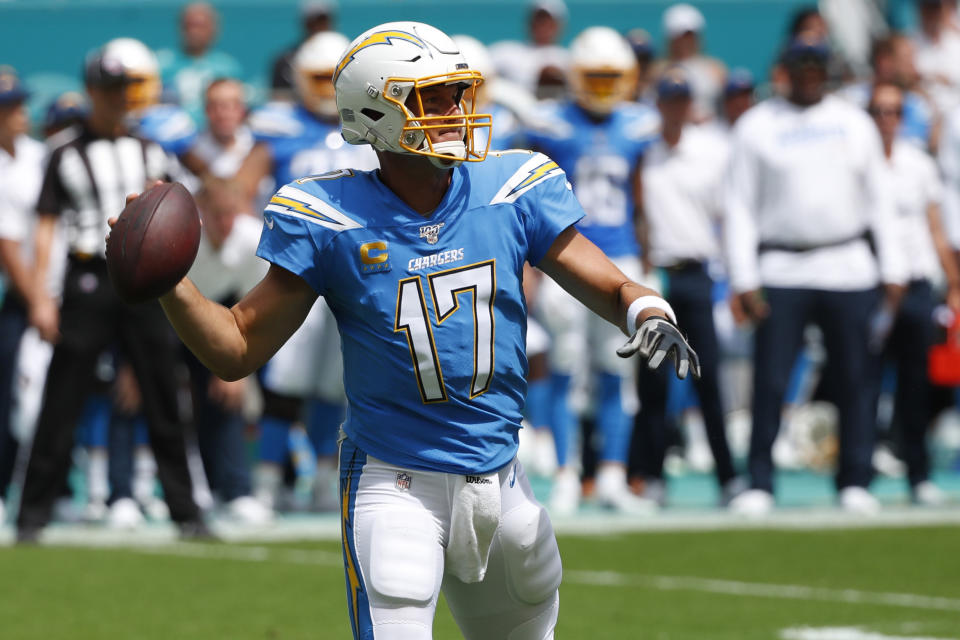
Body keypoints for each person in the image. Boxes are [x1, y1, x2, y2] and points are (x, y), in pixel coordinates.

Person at [138, 21, 698, 639]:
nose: (457, 112)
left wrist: (648, 311)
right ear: (376, 110)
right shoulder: (333, 216)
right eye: (433, 98)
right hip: (395, 482)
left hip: (503, 477)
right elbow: (236, 346)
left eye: (459, 94)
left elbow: (616, 285)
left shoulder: (510, 187)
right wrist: (169, 281)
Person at [15, 39, 207, 543]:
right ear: (92, 91)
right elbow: (46, 227)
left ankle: (186, 510)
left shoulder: (151, 149)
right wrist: (40, 296)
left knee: (164, 396)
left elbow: (184, 210)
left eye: (125, 88)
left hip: (144, 284)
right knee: (63, 399)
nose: (120, 98)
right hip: (87, 279)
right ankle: (33, 514)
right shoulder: (63, 153)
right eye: (110, 88)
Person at [724, 36, 907, 517]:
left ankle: (855, 478)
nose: (809, 73)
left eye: (817, 65)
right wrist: (743, 278)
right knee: (771, 379)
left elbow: (880, 199)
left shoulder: (853, 123)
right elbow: (739, 206)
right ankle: (760, 481)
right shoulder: (757, 126)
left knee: (855, 378)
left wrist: (894, 266)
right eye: (801, 65)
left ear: (827, 70)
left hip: (848, 266)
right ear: (785, 68)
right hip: (781, 266)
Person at [234, 31, 378, 512]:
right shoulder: (278, 126)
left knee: (335, 386)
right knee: (285, 382)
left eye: (330, 78)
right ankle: (268, 483)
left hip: (354, 273)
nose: (323, 88)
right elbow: (241, 189)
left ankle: (322, 480)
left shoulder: (369, 126)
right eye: (315, 77)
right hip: (295, 273)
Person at [522, 26, 661, 515]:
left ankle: (611, 476)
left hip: (621, 257)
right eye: (595, 78)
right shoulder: (550, 124)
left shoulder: (638, 124)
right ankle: (565, 473)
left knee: (617, 375)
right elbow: (530, 202)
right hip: (565, 259)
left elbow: (643, 200)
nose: (603, 88)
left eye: (611, 78)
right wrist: (529, 265)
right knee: (565, 369)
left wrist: (647, 261)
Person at [632, 69, 741, 507]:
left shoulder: (710, 155)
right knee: (654, 383)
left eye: (682, 100)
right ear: (659, 105)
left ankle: (728, 477)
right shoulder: (647, 157)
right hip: (659, 276)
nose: (675, 108)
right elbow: (639, 215)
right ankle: (652, 476)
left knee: (708, 379)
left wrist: (732, 280)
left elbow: (726, 218)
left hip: (697, 274)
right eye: (669, 100)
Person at [868, 81, 960, 504]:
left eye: (892, 111)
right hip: (872, 284)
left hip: (918, 285)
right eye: (878, 111)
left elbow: (935, 226)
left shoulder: (918, 163)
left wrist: (954, 282)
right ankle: (858, 474)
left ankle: (918, 473)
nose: (886, 120)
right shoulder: (858, 162)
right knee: (864, 382)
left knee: (916, 385)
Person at [0, 67, 45, 525]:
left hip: (48, 293)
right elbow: (7, 247)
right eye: (10, 106)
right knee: (9, 395)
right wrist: (35, 301)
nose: (20, 114)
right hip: (19, 297)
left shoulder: (40, 155)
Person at [157, 1, 242, 126]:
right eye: (189, 26)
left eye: (200, 26)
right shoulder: (162, 63)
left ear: (213, 29)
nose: (194, 32)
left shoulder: (227, 67)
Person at [652, 3, 727, 122]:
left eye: (689, 35)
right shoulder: (657, 72)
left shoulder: (715, 69)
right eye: (680, 36)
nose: (685, 41)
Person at [489, 0, 570, 99]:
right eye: (539, 19)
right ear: (530, 22)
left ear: (559, 25)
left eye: (548, 20)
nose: (543, 25)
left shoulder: (569, 60)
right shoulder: (505, 53)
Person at [269, 0, 338, 101]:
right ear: (305, 23)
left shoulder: (344, 54)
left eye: (323, 21)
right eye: (313, 22)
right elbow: (278, 100)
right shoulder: (285, 61)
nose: (318, 26)